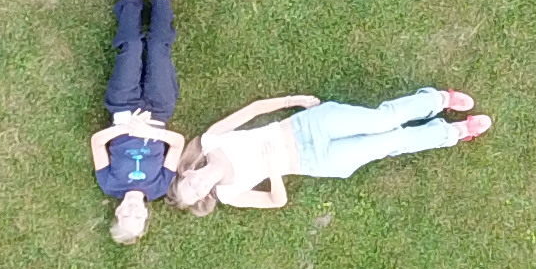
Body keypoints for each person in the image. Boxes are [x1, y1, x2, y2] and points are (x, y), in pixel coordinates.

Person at [171, 87, 490, 212]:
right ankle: (453, 133)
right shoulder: (229, 194)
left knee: (383, 119)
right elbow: (276, 201)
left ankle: (438, 100)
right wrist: (271, 171)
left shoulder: (212, 139)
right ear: (204, 198)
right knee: (391, 143)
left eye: (188, 183)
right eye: (195, 194)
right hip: (317, 160)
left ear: (188, 172)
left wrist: (293, 101)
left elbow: (253, 110)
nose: (196, 186)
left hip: (307, 126)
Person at [92, 0, 181, 243]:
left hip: (122, 106)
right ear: (145, 215)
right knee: (156, 49)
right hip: (159, 110)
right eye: (138, 218)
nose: (132, 212)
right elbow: (177, 144)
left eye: (125, 216)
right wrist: (150, 133)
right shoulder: (159, 187)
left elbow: (97, 142)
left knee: (131, 48)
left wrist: (127, 127)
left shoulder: (109, 184)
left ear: (118, 211)